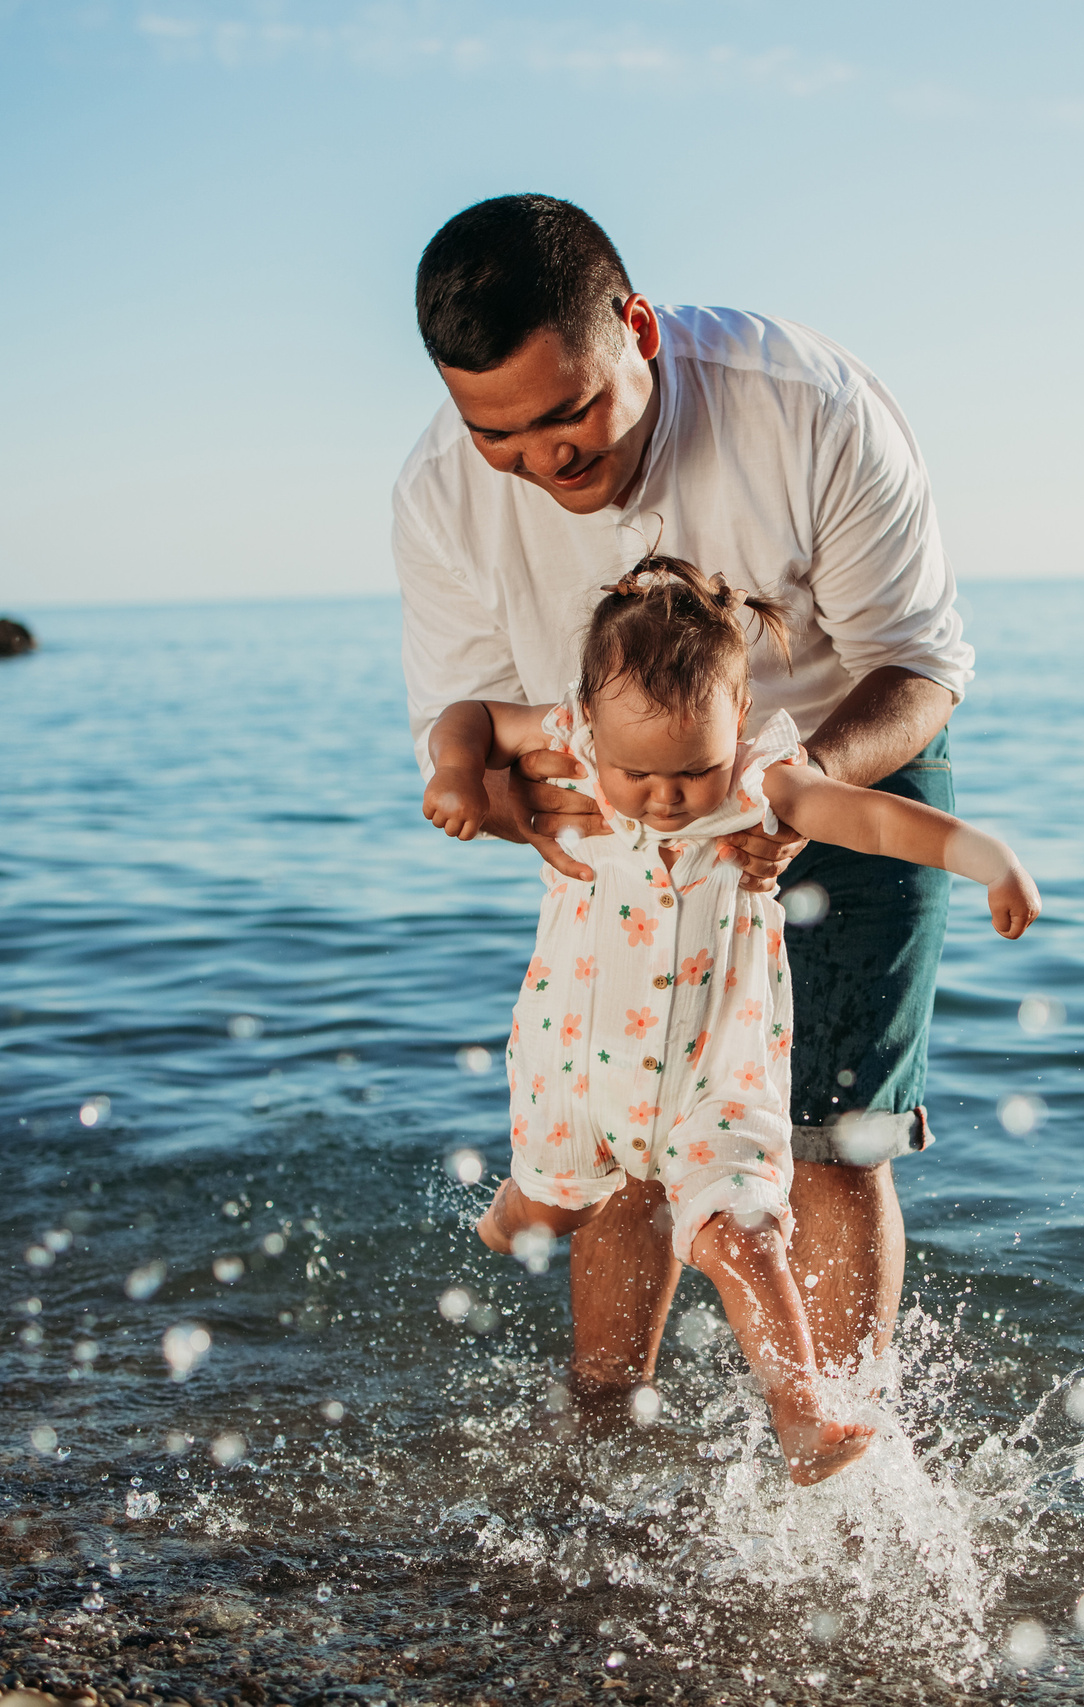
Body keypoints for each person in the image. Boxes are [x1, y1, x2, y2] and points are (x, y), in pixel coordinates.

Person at [395, 193, 976, 1416]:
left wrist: (799, 785)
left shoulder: (807, 404)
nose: (545, 463)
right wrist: (519, 809)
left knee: (829, 1131)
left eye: (571, 415)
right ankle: (602, 1434)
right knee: (625, 1140)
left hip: (847, 750)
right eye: (500, 437)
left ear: (638, 332)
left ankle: (838, 1445)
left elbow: (920, 668)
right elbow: (470, 724)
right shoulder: (441, 493)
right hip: (619, 830)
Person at [421, 559, 1037, 1482]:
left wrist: (985, 855)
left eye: (694, 770)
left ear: (740, 724)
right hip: (579, 1068)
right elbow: (464, 714)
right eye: (638, 772)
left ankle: (804, 1413)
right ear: (589, 725)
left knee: (744, 1234)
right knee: (554, 1203)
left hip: (716, 1084)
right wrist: (459, 772)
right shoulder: (568, 750)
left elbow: (874, 821)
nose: (666, 797)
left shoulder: (761, 787)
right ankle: (517, 1208)